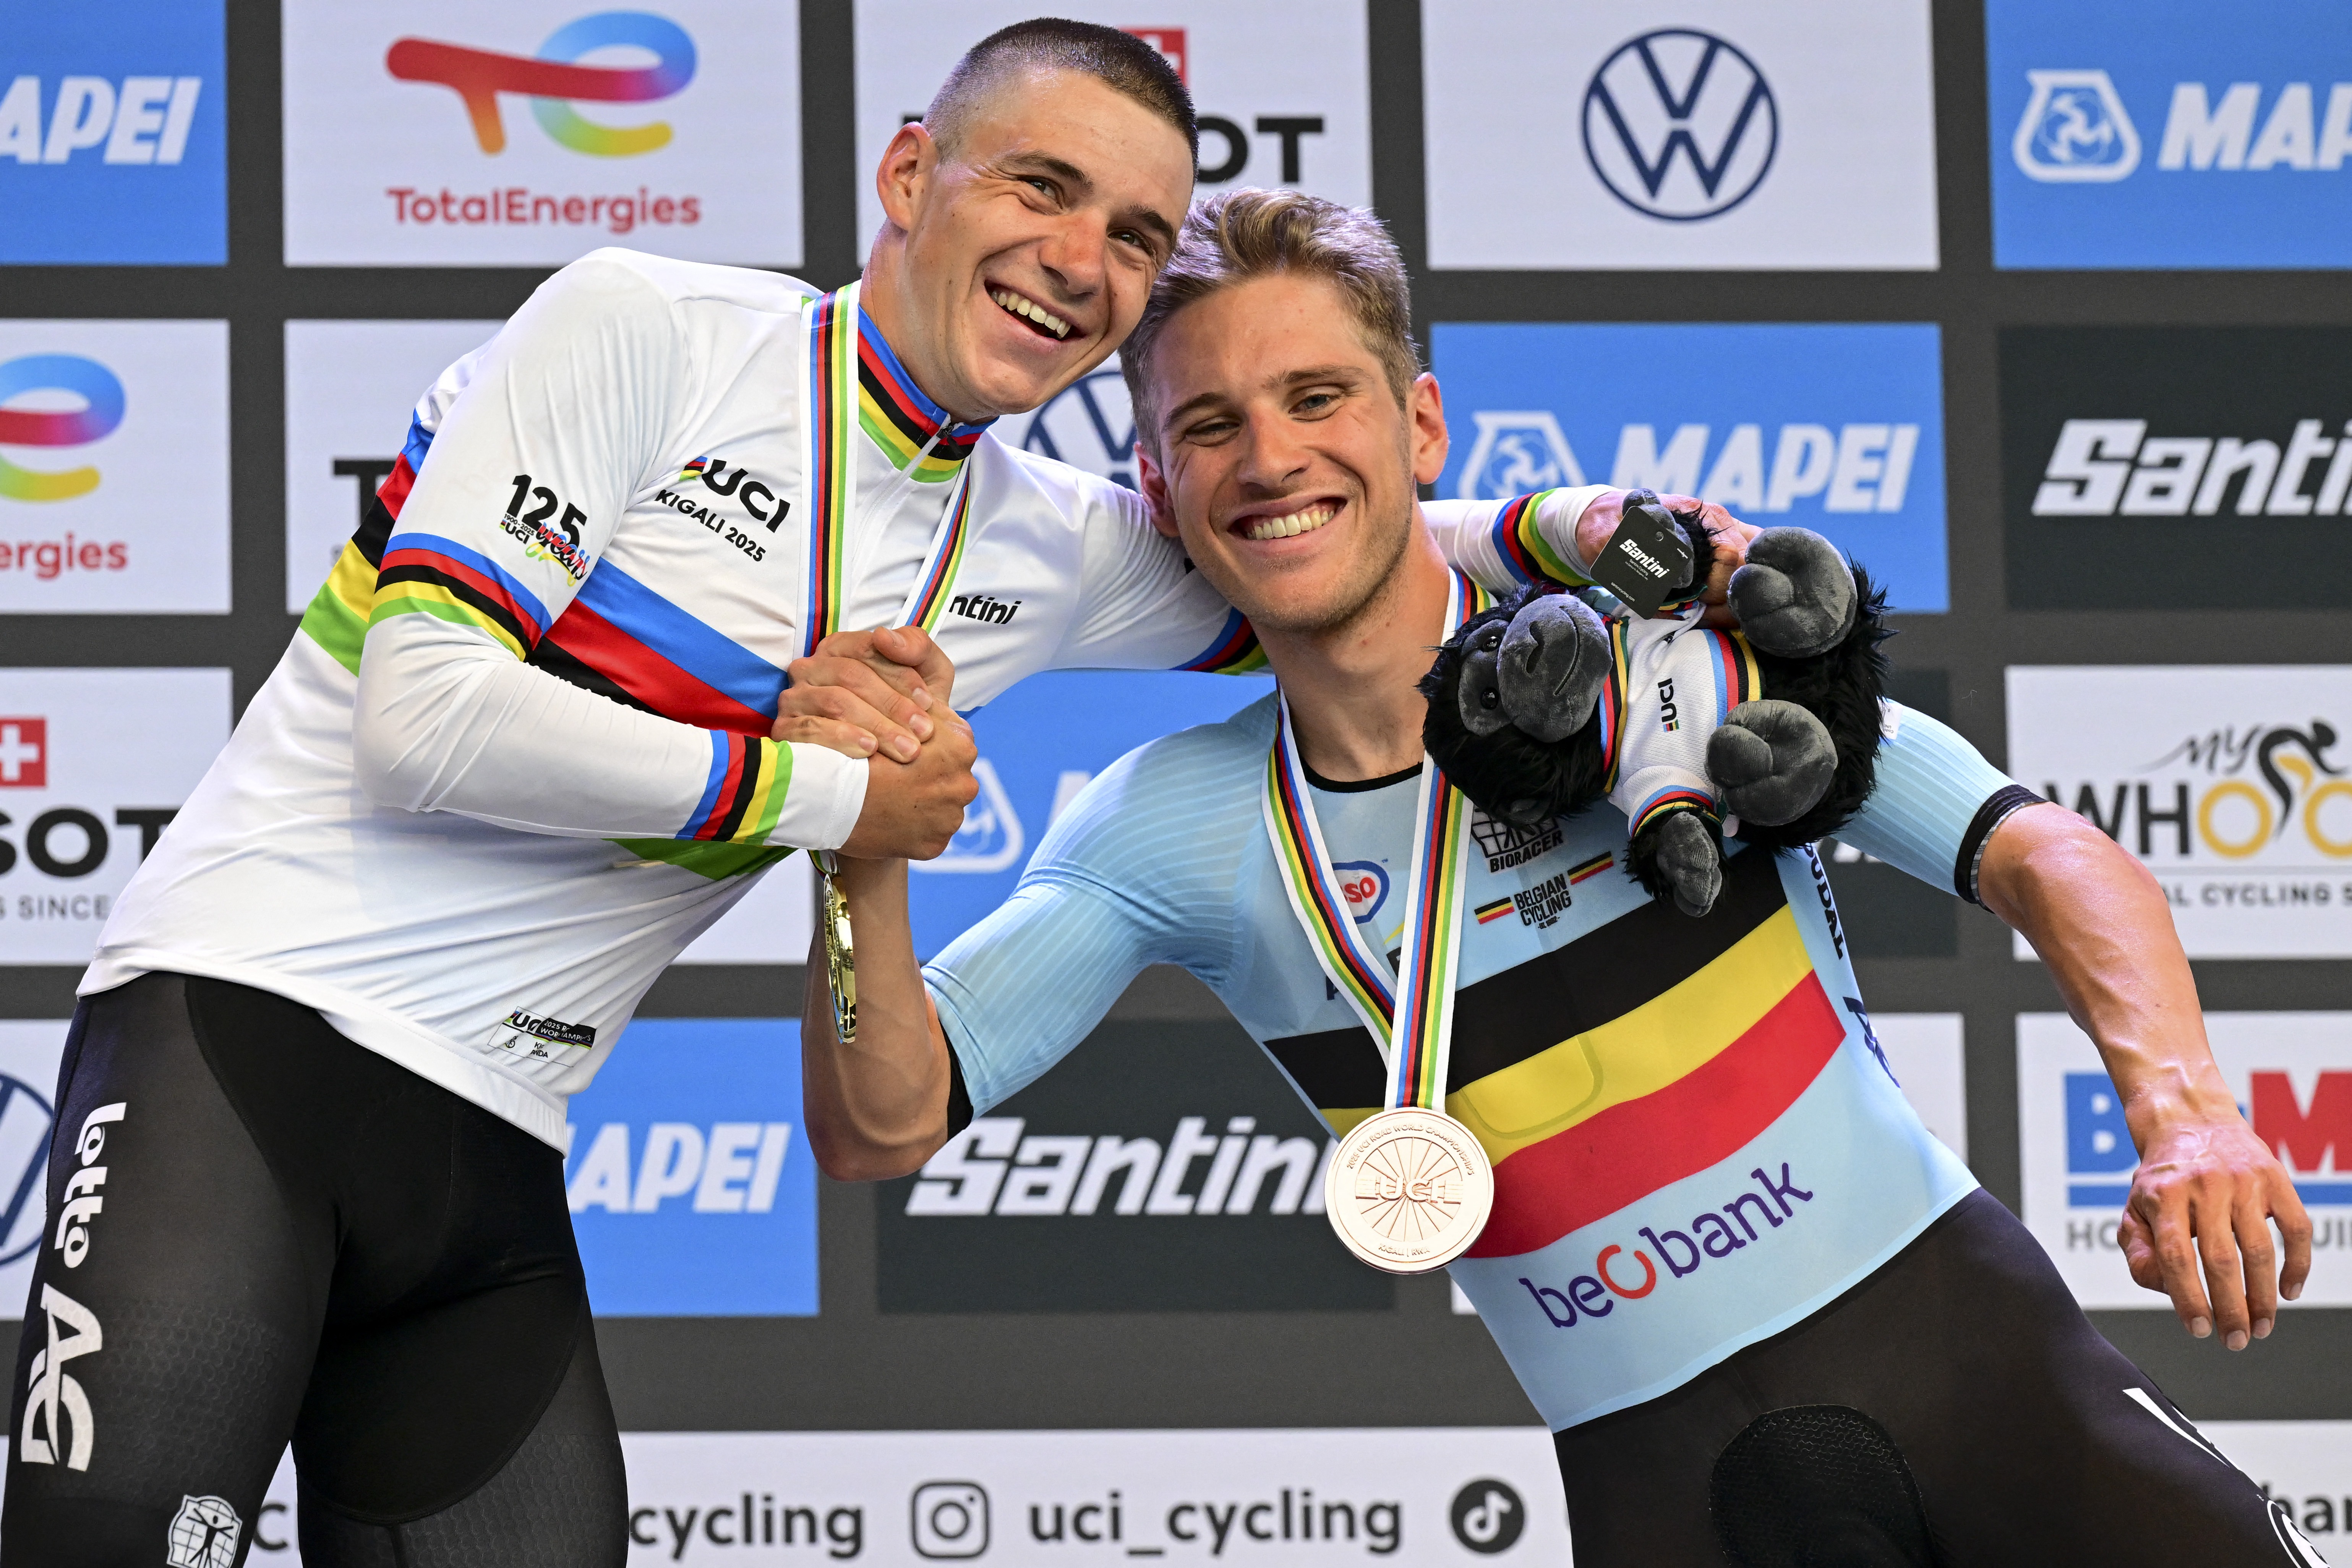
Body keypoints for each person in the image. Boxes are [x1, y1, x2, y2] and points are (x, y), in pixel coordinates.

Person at [5, 23, 1745, 1566]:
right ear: (913, 174)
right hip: (245, 1038)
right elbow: (426, 715)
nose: (1082, 262)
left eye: (1136, 237)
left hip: (495, 1151)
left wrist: (1570, 530)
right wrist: (831, 799)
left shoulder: (1051, 545)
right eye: (1042, 188)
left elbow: (1311, 532)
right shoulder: (649, 331)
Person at [799, 189, 2322, 1566]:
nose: (1268, 458)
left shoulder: (1664, 671)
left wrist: (2186, 1118)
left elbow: (2043, 849)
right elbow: (881, 1119)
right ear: (1155, 479)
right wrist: (858, 849)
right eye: (1210, 424)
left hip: (1979, 1372)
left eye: (1318, 397)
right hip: (1668, 1489)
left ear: (1422, 428)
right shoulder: (1170, 825)